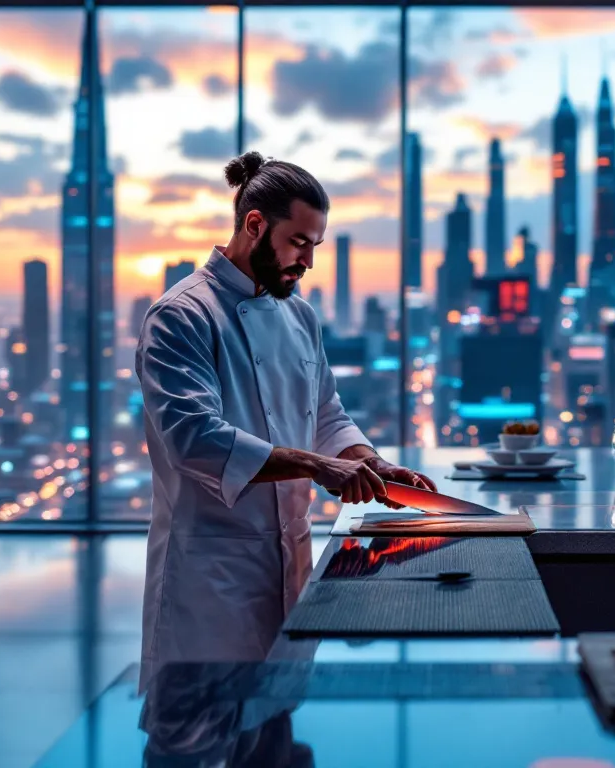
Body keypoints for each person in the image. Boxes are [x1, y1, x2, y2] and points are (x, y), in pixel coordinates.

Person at [136, 151, 434, 691]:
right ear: (254, 225)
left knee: (278, 738)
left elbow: (326, 414)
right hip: (210, 578)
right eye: (299, 243)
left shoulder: (299, 314)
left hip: (293, 564)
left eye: (315, 246)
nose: (309, 262)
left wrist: (371, 463)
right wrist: (317, 468)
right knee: (194, 742)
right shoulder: (181, 316)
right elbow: (193, 440)